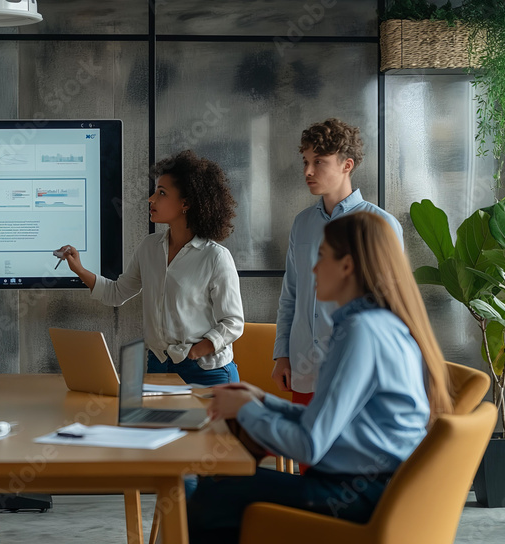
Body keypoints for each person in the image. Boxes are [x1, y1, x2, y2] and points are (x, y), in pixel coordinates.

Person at [188, 212, 453, 543]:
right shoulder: (384, 325)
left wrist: (245, 411)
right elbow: (326, 420)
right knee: (222, 491)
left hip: (357, 496)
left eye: (322, 256)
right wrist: (259, 401)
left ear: (346, 266)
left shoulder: (361, 333)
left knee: (213, 497)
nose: (313, 269)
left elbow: (310, 445)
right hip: (378, 489)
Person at [57, 150, 243, 386]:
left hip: (206, 370)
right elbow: (117, 293)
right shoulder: (149, 248)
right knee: (157, 423)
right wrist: (80, 270)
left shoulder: (216, 257)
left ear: (185, 203)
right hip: (159, 364)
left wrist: (196, 352)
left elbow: (233, 322)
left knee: (206, 425)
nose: (151, 199)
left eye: (162, 193)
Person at [273, 118, 404, 412]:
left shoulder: (380, 226)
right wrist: (282, 354)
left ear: (347, 165)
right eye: (306, 161)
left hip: (356, 371)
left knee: (346, 456)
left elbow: (391, 306)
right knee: (307, 453)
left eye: (318, 161)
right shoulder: (301, 224)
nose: (307, 171)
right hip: (303, 369)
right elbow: (291, 294)